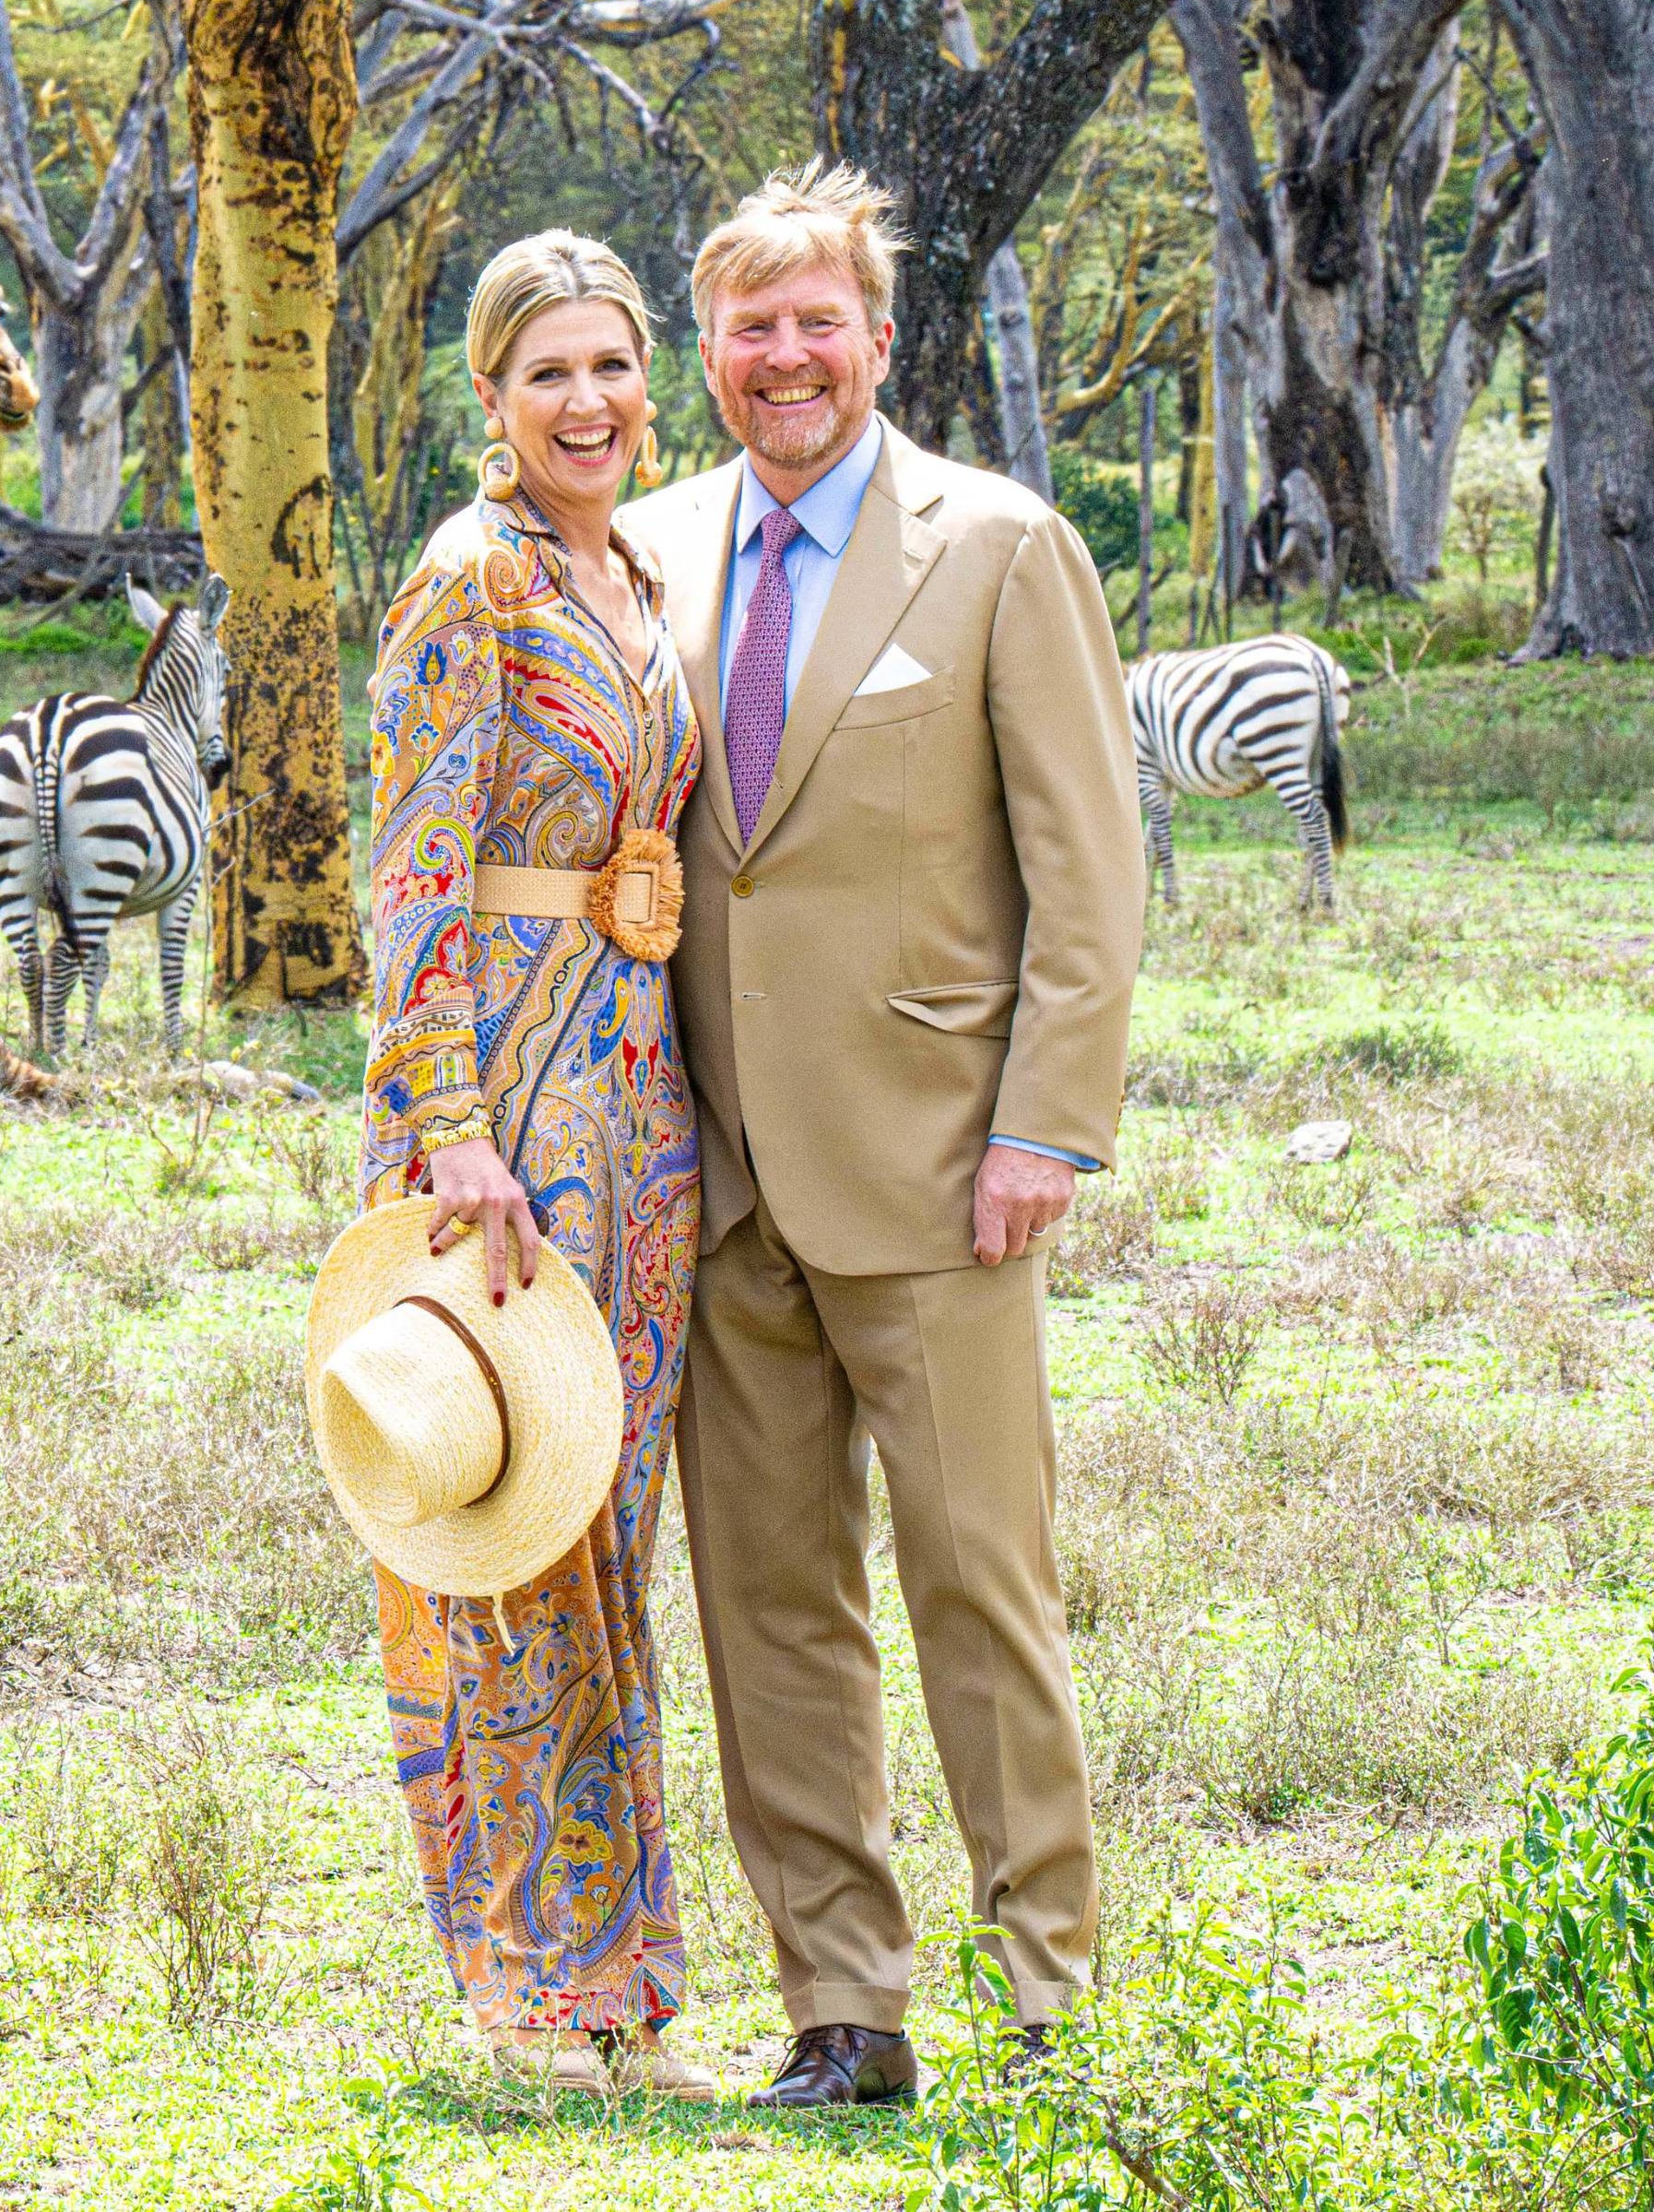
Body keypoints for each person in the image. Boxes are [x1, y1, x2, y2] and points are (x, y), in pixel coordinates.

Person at [620, 164, 1147, 2111]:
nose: (786, 359)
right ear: (713, 351)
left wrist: (1045, 1129)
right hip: (719, 1171)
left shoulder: (1001, 548)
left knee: (978, 1585)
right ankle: (844, 2001)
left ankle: (1050, 1997)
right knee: (768, 1612)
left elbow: (1093, 878)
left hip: (943, 1174)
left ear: (880, 340)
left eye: (817, 322)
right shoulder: (647, 548)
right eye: (751, 328)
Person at [355, 229, 715, 2100]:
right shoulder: (466, 582)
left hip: (636, 1095)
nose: (588, 400)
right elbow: (411, 865)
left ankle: (628, 1971)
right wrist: (448, 1129)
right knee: (508, 1540)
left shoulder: (639, 570)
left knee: (609, 1529)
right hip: (499, 1098)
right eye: (547, 371)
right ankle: (528, 1977)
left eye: (612, 365)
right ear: (490, 400)